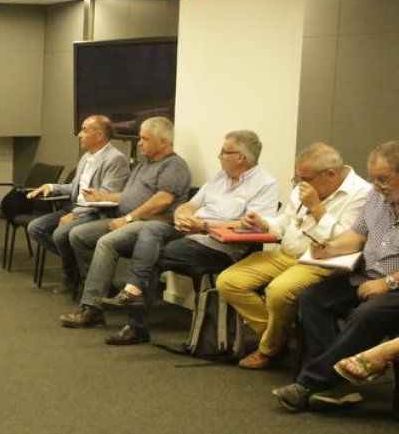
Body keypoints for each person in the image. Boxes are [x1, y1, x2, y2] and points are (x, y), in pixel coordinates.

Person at [100, 130, 278, 345]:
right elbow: (192, 204)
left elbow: (253, 226)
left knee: (151, 254)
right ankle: (133, 291)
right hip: (191, 231)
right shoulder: (219, 177)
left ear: (240, 157)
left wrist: (204, 225)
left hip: (219, 245)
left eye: (224, 152)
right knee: (152, 229)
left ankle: (135, 322)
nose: (219, 156)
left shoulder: (265, 184)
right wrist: (182, 214)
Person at [217, 142, 371, 369]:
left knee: (278, 292)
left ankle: (268, 348)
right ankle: (282, 337)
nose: (301, 184)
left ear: (330, 173)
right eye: (299, 179)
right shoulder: (306, 188)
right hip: (286, 253)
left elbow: (347, 241)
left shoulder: (362, 193)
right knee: (229, 281)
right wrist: (263, 224)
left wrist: (317, 208)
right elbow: (285, 222)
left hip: (321, 260)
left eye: (306, 178)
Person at [272, 141, 399, 412]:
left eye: (383, 178)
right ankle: (335, 383)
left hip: (394, 287)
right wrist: (330, 249)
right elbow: (355, 238)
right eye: (373, 178)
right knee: (312, 297)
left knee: (368, 313)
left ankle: (311, 382)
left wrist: (388, 283)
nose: (376, 185)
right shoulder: (377, 199)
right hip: (366, 276)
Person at [59, 117, 191, 331]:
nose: (139, 143)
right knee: (78, 236)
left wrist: (129, 218)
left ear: (163, 142)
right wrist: (104, 196)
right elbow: (128, 195)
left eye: (145, 139)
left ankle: (91, 308)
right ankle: (103, 289)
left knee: (106, 242)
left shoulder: (174, 166)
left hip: (153, 224)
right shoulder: (144, 164)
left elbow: (162, 201)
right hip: (125, 218)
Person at [26, 115, 130, 294]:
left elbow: (105, 197)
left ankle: (77, 277)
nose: (79, 135)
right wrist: (51, 187)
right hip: (76, 207)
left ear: (99, 135)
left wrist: (76, 215)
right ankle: (79, 270)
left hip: (97, 212)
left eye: (84, 130)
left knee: (61, 235)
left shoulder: (115, 159)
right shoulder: (86, 157)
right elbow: (75, 187)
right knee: (35, 228)